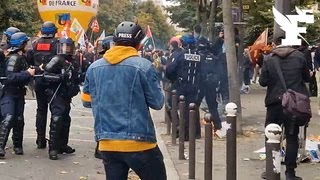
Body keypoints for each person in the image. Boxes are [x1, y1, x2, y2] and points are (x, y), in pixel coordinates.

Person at [83, 21, 166, 180]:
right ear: (139, 44)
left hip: (107, 144)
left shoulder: (93, 67)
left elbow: (86, 101)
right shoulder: (144, 66)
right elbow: (157, 102)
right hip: (140, 143)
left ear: (114, 41)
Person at [259, 37, 310, 180]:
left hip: (274, 103)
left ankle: (272, 169)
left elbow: (263, 82)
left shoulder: (269, 58)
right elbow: (306, 78)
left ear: (276, 44)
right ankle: (290, 173)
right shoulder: (299, 57)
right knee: (292, 137)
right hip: (293, 104)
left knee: (271, 136)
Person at [43, 37, 80, 160]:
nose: (67, 49)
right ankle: (53, 148)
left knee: (65, 120)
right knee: (57, 119)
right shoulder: (56, 59)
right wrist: (59, 77)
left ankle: (62, 145)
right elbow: (45, 75)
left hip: (67, 95)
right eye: (64, 46)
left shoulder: (74, 61)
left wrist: (75, 85)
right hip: (56, 93)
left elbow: (75, 77)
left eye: (69, 46)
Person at [0, 32, 35, 158]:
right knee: (8, 118)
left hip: (19, 93)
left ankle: (18, 146)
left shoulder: (22, 57)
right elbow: (10, 77)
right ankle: (0, 146)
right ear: (21, 44)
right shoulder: (14, 58)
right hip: (9, 92)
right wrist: (28, 73)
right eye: (25, 43)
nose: (27, 45)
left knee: (19, 120)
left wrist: (37, 69)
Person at [80, 35, 114, 159]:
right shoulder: (132, 66)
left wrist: (94, 103)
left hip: (100, 106)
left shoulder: (93, 67)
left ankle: (100, 147)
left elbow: (86, 98)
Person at [28, 21, 59, 149]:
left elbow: (30, 61)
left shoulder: (35, 44)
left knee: (41, 110)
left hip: (39, 80)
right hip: (53, 81)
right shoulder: (57, 45)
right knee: (55, 111)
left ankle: (40, 139)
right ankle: (54, 142)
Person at [166, 33, 201, 140]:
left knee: (169, 103)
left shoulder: (180, 54)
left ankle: (179, 129)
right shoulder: (199, 55)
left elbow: (170, 69)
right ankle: (195, 133)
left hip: (181, 84)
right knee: (192, 108)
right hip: (195, 85)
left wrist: (172, 79)